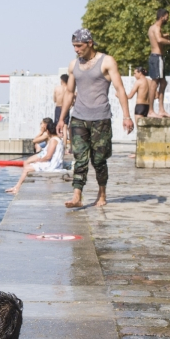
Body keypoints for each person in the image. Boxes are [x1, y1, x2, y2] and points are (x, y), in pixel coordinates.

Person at [56, 29, 133, 208]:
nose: (76, 50)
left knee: (99, 160)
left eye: (79, 46)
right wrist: (62, 118)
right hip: (78, 117)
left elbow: (120, 89)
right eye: (74, 46)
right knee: (80, 158)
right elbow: (69, 92)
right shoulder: (73, 64)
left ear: (90, 43)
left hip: (101, 118)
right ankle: (77, 195)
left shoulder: (107, 61)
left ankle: (102, 192)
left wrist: (127, 116)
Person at [6, 119, 64, 194]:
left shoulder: (53, 140)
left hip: (52, 166)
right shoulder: (58, 139)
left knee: (26, 168)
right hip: (53, 164)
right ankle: (17, 187)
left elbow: (48, 156)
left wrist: (38, 161)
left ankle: (17, 188)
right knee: (28, 166)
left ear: (48, 132)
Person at [147, 8, 170, 118]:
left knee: (163, 83)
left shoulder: (152, 28)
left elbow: (157, 38)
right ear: (162, 16)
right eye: (167, 17)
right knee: (154, 83)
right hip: (157, 57)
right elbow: (159, 40)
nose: (167, 19)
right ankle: (151, 111)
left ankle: (161, 110)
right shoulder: (157, 27)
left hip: (156, 57)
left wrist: (164, 36)